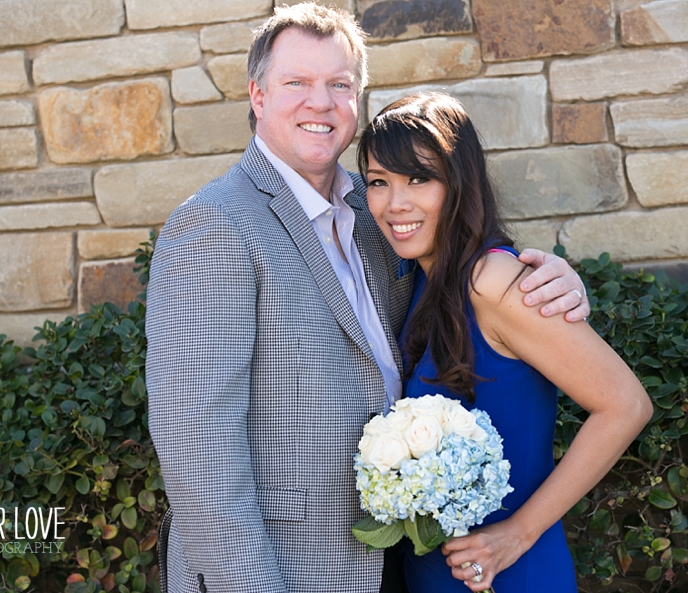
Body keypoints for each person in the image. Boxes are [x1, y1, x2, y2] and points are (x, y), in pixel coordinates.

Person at [145, 4, 589, 592]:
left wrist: (555, 278)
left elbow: (460, 271)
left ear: (358, 99)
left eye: (339, 84)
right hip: (287, 569)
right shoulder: (215, 226)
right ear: (257, 95)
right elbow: (197, 452)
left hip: (396, 562)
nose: (320, 102)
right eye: (296, 83)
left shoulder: (375, 208)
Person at [357, 92, 652, 593]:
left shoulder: (491, 280)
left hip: (511, 572)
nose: (395, 203)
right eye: (378, 183)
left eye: (419, 179)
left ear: (459, 183)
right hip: (436, 573)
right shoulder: (418, 280)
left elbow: (626, 406)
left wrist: (518, 533)